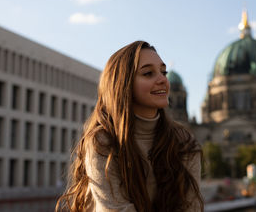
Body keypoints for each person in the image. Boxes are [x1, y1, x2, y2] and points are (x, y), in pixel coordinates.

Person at [56, 41, 203, 212]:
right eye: (148, 73)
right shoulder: (102, 141)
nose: (163, 79)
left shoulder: (184, 141)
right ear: (123, 84)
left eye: (163, 72)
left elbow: (192, 208)